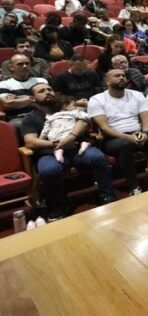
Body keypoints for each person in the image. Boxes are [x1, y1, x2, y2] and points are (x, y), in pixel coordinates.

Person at [22, 83, 115, 218]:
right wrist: (54, 143)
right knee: (49, 170)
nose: (48, 92)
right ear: (33, 98)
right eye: (41, 91)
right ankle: (57, 206)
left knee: (98, 157)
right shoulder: (30, 118)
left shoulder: (65, 107)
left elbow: (82, 121)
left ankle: (107, 195)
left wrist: (71, 138)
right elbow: (30, 141)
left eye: (50, 89)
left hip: (77, 147)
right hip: (50, 152)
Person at [88, 69, 148, 194]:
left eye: (123, 76)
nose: (122, 78)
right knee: (126, 144)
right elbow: (104, 128)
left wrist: (145, 133)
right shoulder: (97, 99)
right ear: (107, 81)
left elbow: (146, 117)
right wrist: (128, 137)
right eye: (117, 76)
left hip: (139, 133)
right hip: (114, 139)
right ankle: (133, 186)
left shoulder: (137, 95)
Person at [0, 54, 49, 129]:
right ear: (11, 67)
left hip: (43, 114)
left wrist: (17, 98)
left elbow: (48, 100)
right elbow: (8, 104)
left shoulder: (41, 81)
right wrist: (34, 99)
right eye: (20, 64)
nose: (25, 66)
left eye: (27, 63)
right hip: (19, 117)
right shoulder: (4, 84)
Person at [39, 94, 91, 163]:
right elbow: (86, 117)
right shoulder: (73, 113)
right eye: (74, 106)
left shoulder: (51, 117)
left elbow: (45, 130)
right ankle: (84, 143)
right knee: (81, 135)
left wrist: (41, 139)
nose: (76, 107)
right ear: (65, 106)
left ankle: (59, 151)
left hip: (55, 138)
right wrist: (81, 110)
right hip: (69, 136)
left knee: (59, 144)